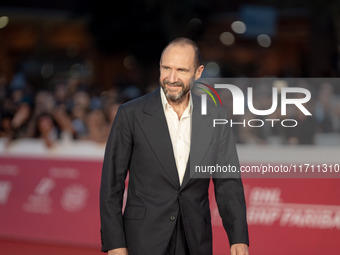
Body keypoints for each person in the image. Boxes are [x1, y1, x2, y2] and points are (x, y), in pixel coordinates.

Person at [100, 37, 249, 255]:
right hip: (143, 239)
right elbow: (111, 184)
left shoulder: (216, 117)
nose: (171, 78)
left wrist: (238, 237)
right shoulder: (131, 115)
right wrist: (114, 243)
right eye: (166, 68)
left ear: (198, 73)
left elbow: (228, 183)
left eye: (181, 70)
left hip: (195, 239)